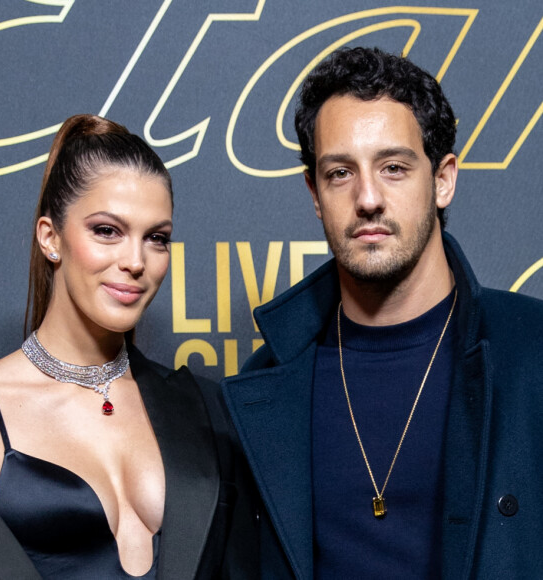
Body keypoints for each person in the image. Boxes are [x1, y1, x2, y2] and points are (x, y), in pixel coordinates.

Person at [221, 47, 543, 579]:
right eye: (340, 173)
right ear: (315, 194)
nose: (367, 198)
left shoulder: (531, 352)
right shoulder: (268, 384)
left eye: (393, 167)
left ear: (442, 180)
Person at [0, 115, 257, 579]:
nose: (136, 262)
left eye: (156, 239)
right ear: (50, 237)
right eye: (107, 231)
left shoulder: (203, 406)